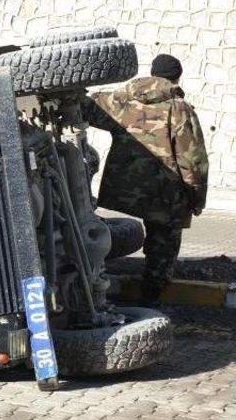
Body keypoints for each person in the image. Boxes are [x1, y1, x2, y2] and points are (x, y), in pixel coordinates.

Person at [81, 54, 209, 305]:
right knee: (164, 241)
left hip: (128, 187)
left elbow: (85, 108)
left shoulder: (121, 100)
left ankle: (96, 281)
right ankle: (152, 294)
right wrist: (196, 197)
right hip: (165, 191)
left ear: (152, 73)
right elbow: (192, 159)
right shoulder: (179, 109)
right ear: (176, 77)